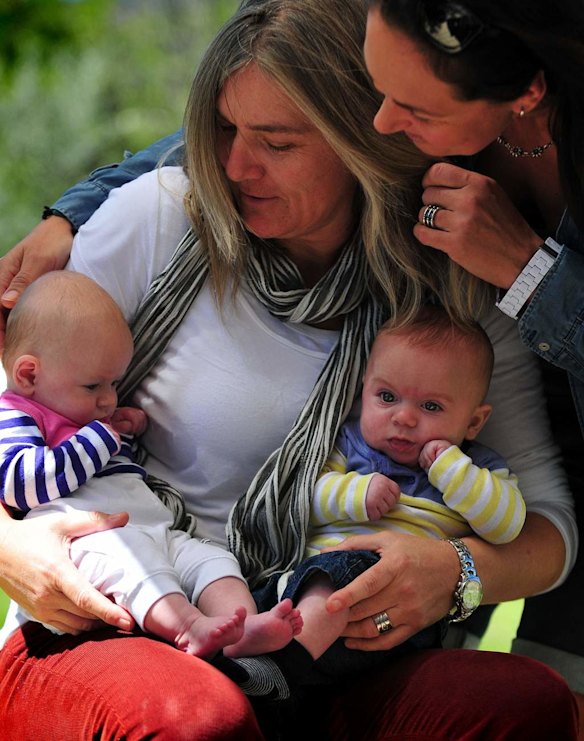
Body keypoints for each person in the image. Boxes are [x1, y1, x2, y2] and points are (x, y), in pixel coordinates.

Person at [0, 0, 578, 738]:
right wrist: (8, 547)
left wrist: (458, 571)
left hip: (325, 644)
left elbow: (548, 526)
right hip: (118, 612)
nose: (237, 164)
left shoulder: (452, 296)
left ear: (362, 137)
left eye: (276, 141)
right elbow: (11, 398)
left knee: (518, 701)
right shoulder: (161, 219)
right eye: (224, 129)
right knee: (197, 717)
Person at [362, 0, 584, 718]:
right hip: (463, 466)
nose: (382, 122)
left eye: (416, 108)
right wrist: (76, 211)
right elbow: (268, 86)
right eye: (379, 88)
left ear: (526, 94)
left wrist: (529, 272)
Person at [0, 270, 302, 660]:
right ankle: (189, 628)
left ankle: (239, 624)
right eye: (94, 386)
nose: (109, 399)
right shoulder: (15, 413)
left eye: (114, 384)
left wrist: (120, 432)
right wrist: (99, 439)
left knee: (211, 557)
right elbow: (19, 483)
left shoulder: (86, 417)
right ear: (28, 374)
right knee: (131, 565)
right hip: (86, 541)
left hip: (154, 527)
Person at [240, 305, 526, 691]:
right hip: (305, 589)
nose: (404, 418)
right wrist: (356, 493)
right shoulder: (347, 446)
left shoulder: (480, 469)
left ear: (474, 421)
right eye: (387, 396)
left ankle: (278, 670)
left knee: (361, 569)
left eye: (430, 406)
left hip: (398, 621)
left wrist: (452, 471)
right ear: (364, 389)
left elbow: (507, 526)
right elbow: (303, 499)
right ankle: (277, 675)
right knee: (335, 571)